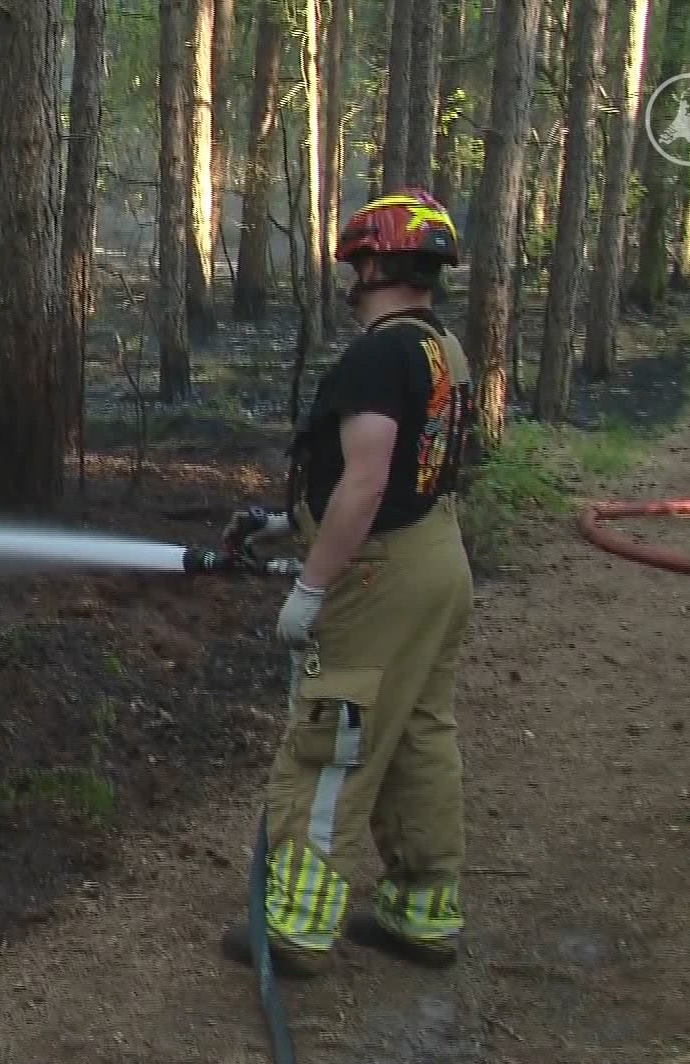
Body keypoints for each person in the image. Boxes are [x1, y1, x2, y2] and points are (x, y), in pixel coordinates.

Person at [218, 188, 478, 977]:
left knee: (333, 744)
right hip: (436, 556)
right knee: (417, 740)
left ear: (372, 261)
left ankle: (295, 926)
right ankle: (425, 913)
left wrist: (313, 587)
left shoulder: (375, 354)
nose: (351, 277)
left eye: (356, 263)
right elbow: (399, 474)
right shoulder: (440, 348)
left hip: (380, 573)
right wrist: (284, 522)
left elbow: (364, 486)